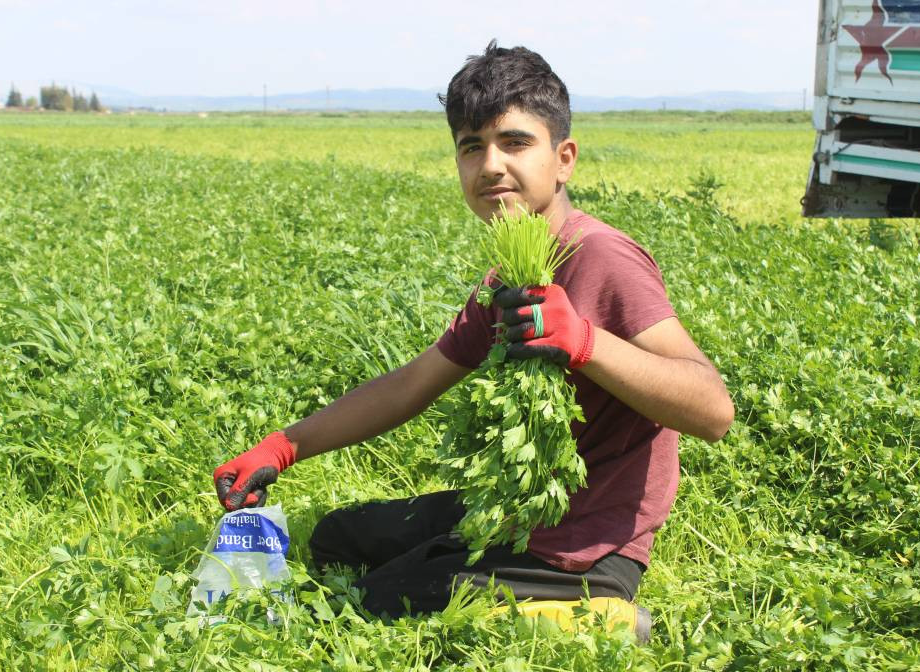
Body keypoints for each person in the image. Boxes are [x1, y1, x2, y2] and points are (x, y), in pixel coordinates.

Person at [212, 41, 734, 628]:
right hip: (515, 513)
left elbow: (713, 410)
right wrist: (285, 446)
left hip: (584, 543)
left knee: (355, 611)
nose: (490, 165)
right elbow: (413, 383)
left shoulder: (602, 257)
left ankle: (594, 618)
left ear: (564, 158)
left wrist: (586, 341)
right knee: (338, 539)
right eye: (471, 146)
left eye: (514, 142)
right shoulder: (509, 274)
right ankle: (510, 599)